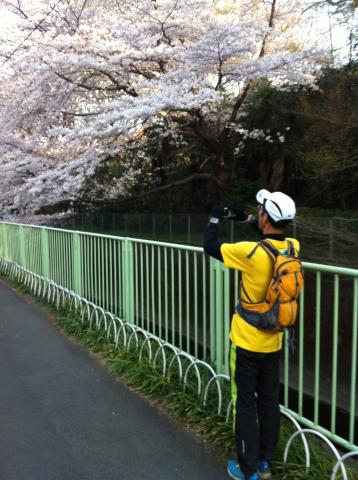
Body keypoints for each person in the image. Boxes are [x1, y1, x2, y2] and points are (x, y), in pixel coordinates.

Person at [203, 189, 299, 480]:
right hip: (276, 339)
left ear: (266, 216)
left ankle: (247, 469)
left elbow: (210, 246)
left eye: (261, 212)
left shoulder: (249, 253)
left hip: (246, 340)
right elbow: (271, 233)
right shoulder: (293, 247)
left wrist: (215, 219)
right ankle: (265, 463)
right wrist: (248, 217)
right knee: (269, 400)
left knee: (245, 402)